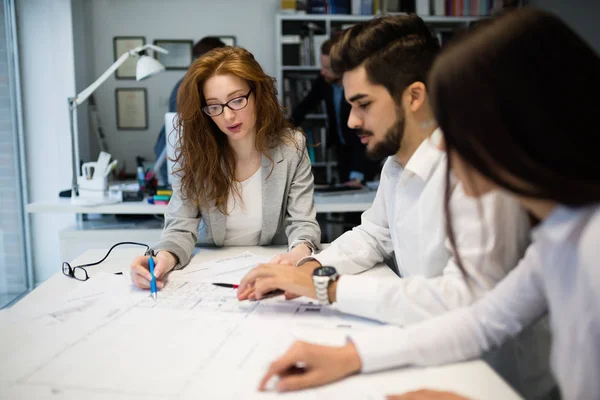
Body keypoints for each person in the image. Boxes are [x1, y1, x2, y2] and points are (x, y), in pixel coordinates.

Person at [255, 7, 600, 400]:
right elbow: (483, 320)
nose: (446, 141)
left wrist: (326, 287)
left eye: (458, 121)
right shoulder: (558, 238)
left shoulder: (589, 241)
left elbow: (467, 303)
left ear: (520, 124)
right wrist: (354, 354)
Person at [130, 46, 321, 289]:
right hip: (210, 274)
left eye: (237, 100)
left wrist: (298, 256)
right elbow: (180, 226)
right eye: (214, 106)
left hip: (272, 267)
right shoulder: (193, 153)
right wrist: (162, 259)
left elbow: (303, 224)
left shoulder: (291, 146)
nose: (228, 116)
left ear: (258, 94)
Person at [291, 37, 382, 187]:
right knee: (345, 190)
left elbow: (364, 130)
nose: (322, 72)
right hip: (341, 148)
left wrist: (358, 174)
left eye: (327, 68)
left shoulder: (360, 88)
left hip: (364, 151)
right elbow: (305, 105)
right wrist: (284, 129)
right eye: (322, 66)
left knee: (360, 193)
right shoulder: (324, 81)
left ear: (342, 67)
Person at [154, 37, 227, 184]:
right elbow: (183, 131)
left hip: (174, 156)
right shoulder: (191, 87)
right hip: (179, 160)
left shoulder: (188, 83)